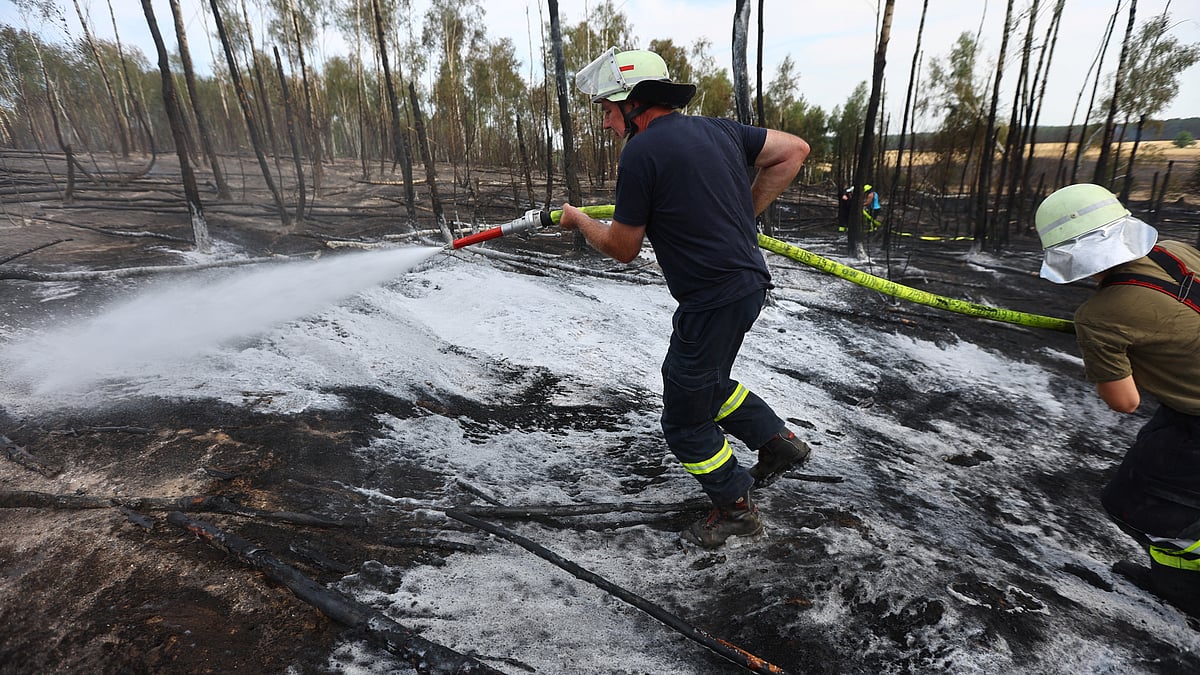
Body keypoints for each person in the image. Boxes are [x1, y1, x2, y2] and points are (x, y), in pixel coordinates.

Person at [559, 47, 813, 549]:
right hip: (745, 288)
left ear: (635, 102)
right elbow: (794, 150)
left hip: (712, 297)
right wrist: (746, 212)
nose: (607, 123)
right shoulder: (720, 131)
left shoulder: (642, 152)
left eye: (608, 109)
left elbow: (622, 247)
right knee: (702, 381)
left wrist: (581, 221)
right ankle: (778, 443)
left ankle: (735, 508)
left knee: (683, 418)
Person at [1035, 183, 1200, 619]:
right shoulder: (1177, 250)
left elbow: (1124, 401)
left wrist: (1106, 350)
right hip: (1184, 410)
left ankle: (1186, 588)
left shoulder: (1100, 317)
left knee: (1137, 503)